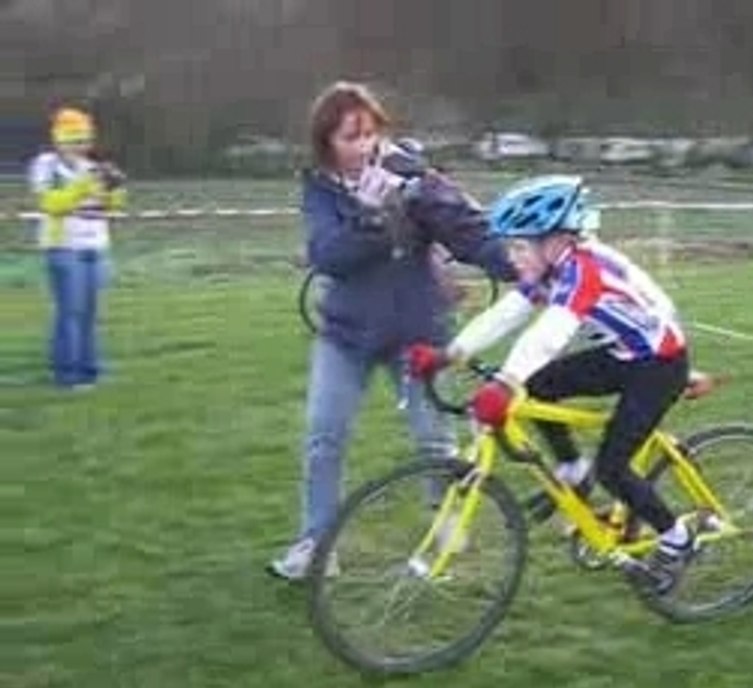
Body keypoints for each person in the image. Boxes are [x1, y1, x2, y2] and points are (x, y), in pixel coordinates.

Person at [268, 82, 514, 580]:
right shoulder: (320, 188)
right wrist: (374, 217)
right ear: (327, 143)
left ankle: (445, 533)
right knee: (323, 439)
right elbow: (329, 255)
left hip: (418, 333)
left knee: (432, 440)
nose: (364, 146)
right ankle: (316, 546)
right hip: (346, 336)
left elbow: (467, 232)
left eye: (370, 133)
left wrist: (525, 267)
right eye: (350, 137)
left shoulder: (412, 178)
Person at [408, 174, 699, 595]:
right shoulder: (551, 266)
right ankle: (572, 470)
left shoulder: (585, 270)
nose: (513, 256)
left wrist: (506, 384)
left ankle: (677, 539)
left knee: (614, 468)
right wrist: (450, 354)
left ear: (557, 240)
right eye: (511, 246)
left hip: (659, 363)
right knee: (540, 387)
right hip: (622, 353)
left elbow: (551, 333)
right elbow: (508, 314)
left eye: (520, 246)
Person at [28, 107, 127, 389]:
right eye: (73, 140)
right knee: (69, 312)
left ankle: (91, 370)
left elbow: (110, 206)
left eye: (84, 140)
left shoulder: (91, 167)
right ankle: (67, 374)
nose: (80, 147)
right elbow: (52, 204)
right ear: (58, 140)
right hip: (63, 247)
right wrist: (82, 187)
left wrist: (116, 188)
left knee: (90, 313)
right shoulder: (45, 165)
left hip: (95, 246)